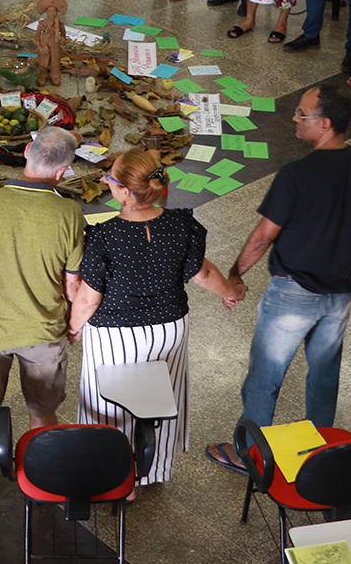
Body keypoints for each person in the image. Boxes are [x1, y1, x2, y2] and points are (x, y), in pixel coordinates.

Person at [208, 86, 351, 474]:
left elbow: (263, 236)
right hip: (339, 294)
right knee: (324, 377)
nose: (294, 118)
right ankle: (322, 454)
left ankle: (248, 454)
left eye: (301, 114)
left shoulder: (296, 174)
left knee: (264, 377)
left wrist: (236, 275)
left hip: (292, 294)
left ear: (325, 124)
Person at [69, 150, 240, 488]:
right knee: (162, 400)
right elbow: (203, 273)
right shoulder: (181, 223)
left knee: (106, 403)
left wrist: (73, 327)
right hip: (170, 328)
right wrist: (228, 291)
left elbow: (89, 297)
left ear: (125, 192)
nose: (106, 182)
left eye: (111, 179)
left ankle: (111, 474)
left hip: (114, 335)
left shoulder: (104, 236)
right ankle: (154, 469)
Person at [0, 126, 85, 428]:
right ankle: (38, 469)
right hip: (43, 331)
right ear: (62, 172)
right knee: (42, 411)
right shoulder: (69, 212)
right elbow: (72, 283)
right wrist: (74, 323)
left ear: (26, 152)